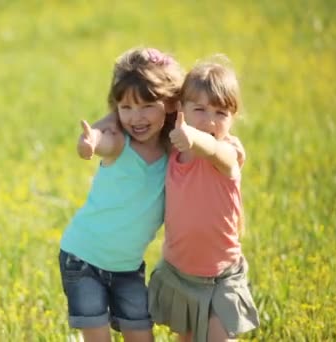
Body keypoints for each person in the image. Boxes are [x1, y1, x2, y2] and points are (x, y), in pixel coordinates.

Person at [58, 47, 183, 342]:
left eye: (146, 106)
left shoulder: (172, 152)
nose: (135, 118)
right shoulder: (119, 144)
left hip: (127, 267)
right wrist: (89, 143)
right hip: (83, 258)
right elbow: (100, 142)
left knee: (141, 334)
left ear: (168, 104)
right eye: (126, 108)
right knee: (98, 336)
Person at [148, 57, 260, 342]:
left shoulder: (228, 152)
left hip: (222, 276)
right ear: (181, 109)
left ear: (233, 117)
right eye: (199, 109)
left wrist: (195, 139)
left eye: (221, 113)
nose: (210, 120)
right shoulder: (174, 152)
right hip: (180, 272)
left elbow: (213, 150)